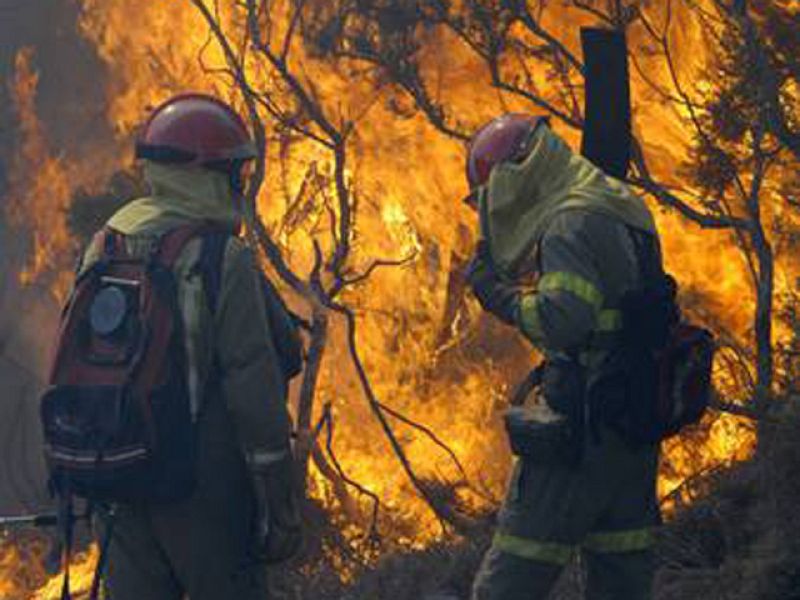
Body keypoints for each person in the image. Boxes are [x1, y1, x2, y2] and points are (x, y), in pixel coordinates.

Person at [78, 93, 302, 600]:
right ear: (212, 174)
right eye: (233, 173)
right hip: (196, 487)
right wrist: (278, 501)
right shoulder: (222, 256)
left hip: (117, 476)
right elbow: (254, 386)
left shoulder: (106, 242)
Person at [466, 114, 662, 600]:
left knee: (509, 579)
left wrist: (502, 298)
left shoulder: (567, 224)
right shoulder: (618, 205)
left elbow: (565, 319)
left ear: (515, 181)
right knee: (621, 578)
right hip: (633, 427)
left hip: (582, 427)